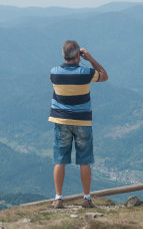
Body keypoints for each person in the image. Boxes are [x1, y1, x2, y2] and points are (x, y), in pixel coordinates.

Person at [49, 40, 108, 209]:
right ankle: (87, 198)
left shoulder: (54, 73)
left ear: (63, 55)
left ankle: (58, 198)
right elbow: (104, 75)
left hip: (61, 121)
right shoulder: (86, 73)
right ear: (77, 55)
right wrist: (90, 59)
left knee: (60, 159)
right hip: (82, 121)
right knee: (84, 160)